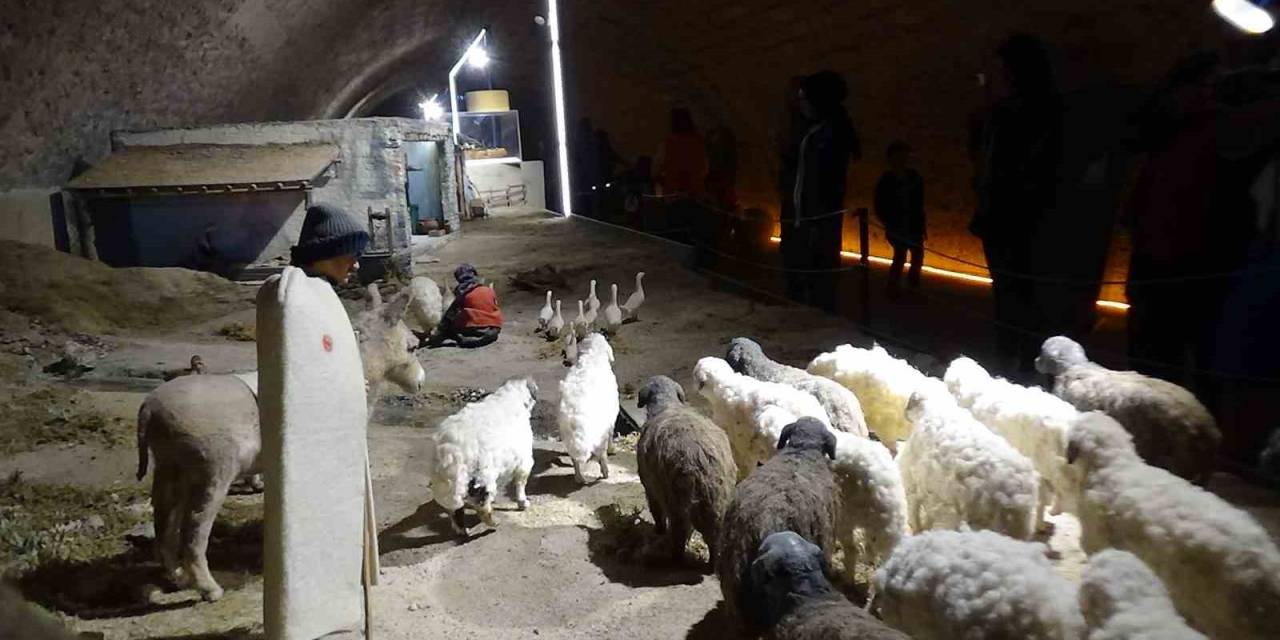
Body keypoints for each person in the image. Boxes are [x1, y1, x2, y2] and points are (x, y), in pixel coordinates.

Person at [969, 33, 1063, 376]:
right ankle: (1010, 360)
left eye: (1004, 69)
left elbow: (1028, 169)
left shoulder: (1038, 112)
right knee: (1007, 297)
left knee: (1023, 298)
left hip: (1023, 220)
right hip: (1002, 217)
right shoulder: (1003, 114)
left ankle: (1024, 365)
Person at [784, 70, 861, 312]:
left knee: (819, 276)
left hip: (817, 219)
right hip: (809, 217)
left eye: (804, 98)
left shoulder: (829, 134)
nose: (800, 103)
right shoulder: (818, 130)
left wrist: (813, 220)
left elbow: (823, 182)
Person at [656, 108, 710, 267]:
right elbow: (705, 169)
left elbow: (656, 169)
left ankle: (679, 268)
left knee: (677, 237)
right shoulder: (699, 143)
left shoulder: (668, 143)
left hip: (674, 198)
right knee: (695, 237)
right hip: (696, 197)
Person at [874, 140, 926, 295]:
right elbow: (880, 204)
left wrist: (922, 224)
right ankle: (894, 286)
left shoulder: (914, 177)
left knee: (917, 255)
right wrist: (889, 222)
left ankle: (912, 286)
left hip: (913, 224)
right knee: (900, 255)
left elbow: (919, 202)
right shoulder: (887, 180)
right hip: (897, 224)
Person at [289, 203, 371, 286]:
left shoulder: (311, 290)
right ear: (320, 255)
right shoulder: (298, 296)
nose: (356, 266)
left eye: (358, 255)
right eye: (352, 254)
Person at [429, 263, 503, 349]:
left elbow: (450, 315)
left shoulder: (463, 293)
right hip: (493, 331)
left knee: (451, 326)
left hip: (475, 331)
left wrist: (439, 330)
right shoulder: (487, 290)